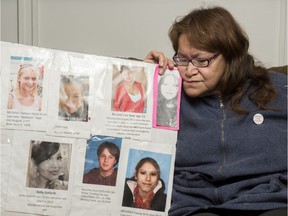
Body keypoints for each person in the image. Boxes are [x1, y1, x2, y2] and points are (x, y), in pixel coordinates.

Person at [144, 6, 287, 216]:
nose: (189, 71)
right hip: (195, 206)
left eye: (202, 61)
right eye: (182, 59)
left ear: (230, 56)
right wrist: (147, 79)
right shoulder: (168, 93)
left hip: (266, 202)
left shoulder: (278, 89)